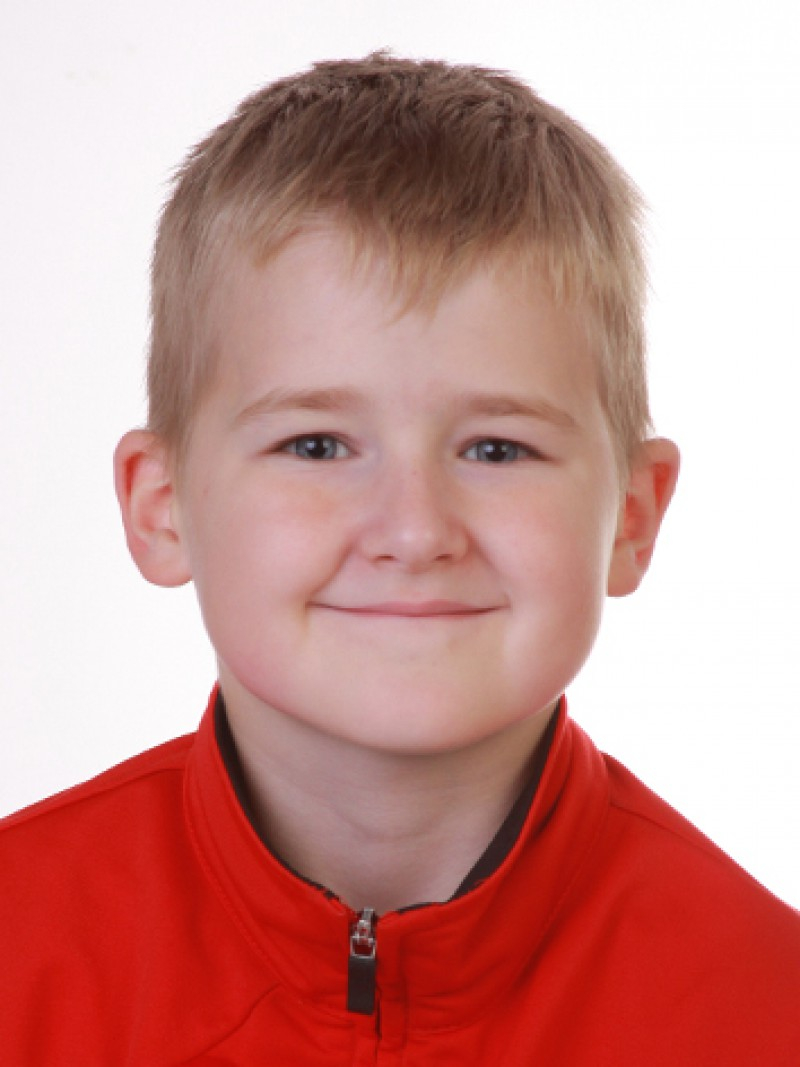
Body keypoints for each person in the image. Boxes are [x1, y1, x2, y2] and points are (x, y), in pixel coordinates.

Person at [1, 52, 798, 1065]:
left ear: (631, 517)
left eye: (496, 449)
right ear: (161, 507)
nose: (415, 532)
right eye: (316, 445)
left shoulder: (764, 1006)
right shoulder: (20, 952)